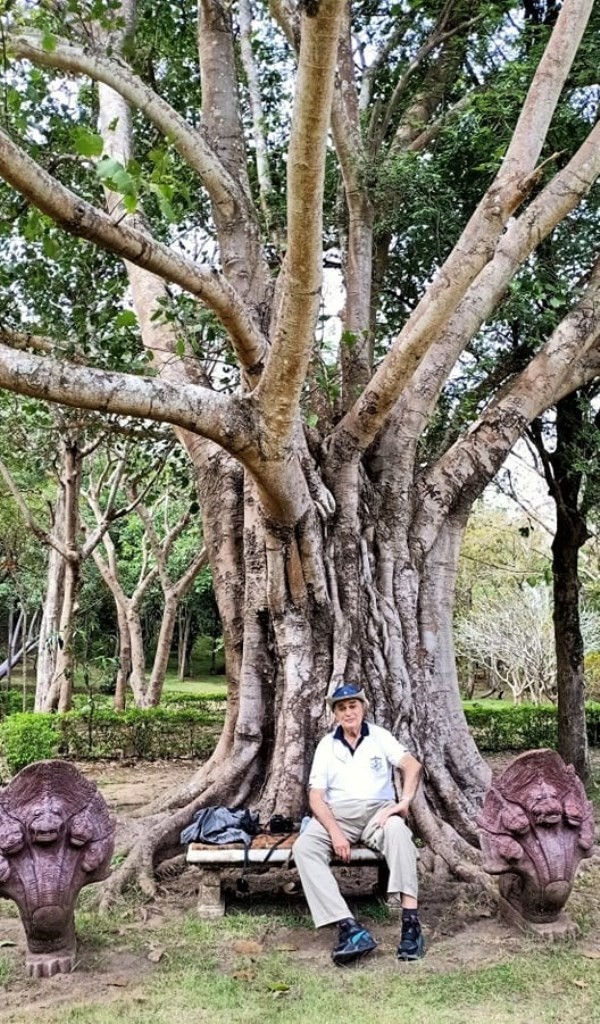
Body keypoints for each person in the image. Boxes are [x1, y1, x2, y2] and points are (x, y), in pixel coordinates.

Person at [293, 683, 424, 966]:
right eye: (342, 708)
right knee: (304, 847)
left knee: (399, 833)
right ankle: (349, 928)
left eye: (353, 706)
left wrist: (404, 802)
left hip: (378, 812)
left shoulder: (379, 737)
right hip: (338, 815)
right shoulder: (327, 745)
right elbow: (316, 797)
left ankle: (411, 925)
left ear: (363, 708)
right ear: (335, 714)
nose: (348, 712)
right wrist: (335, 832)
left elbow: (412, 766)